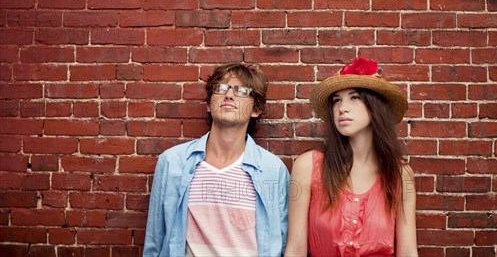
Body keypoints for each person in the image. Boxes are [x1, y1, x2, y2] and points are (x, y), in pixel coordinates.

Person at [143, 63, 290, 257]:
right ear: (209, 105)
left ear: (256, 109)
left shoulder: (272, 169)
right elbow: (155, 241)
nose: (228, 95)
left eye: (242, 91)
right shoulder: (172, 162)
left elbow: (283, 239)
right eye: (220, 88)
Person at [285, 57, 418, 257]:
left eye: (354, 97)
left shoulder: (400, 175)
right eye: (337, 100)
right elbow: (295, 250)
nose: (341, 108)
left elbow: (408, 252)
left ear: (375, 107)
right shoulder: (308, 167)